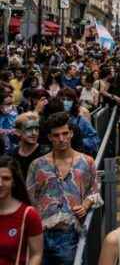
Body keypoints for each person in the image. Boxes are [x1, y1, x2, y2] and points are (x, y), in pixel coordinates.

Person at [27, 111, 102, 265]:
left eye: (65, 133)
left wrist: (85, 205)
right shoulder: (37, 165)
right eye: (56, 135)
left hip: (70, 233)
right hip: (40, 234)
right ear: (49, 137)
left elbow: (95, 191)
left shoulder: (87, 162)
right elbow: (29, 199)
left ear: (71, 133)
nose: (61, 139)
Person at [0, 156, 43, 265]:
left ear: (14, 181)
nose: (0, 184)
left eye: (6, 178)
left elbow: (36, 254)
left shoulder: (28, 214)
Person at [11, 112, 48, 179]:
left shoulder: (46, 153)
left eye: (36, 129)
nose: (34, 133)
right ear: (18, 132)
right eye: (29, 129)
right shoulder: (12, 155)